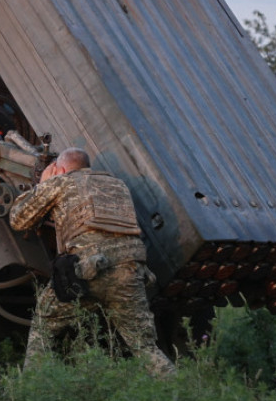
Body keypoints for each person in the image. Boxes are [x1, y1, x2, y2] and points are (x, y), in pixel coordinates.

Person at [9, 147, 174, 376]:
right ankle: (179, 391)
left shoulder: (61, 182)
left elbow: (19, 219)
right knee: (144, 347)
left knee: (44, 324)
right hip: (130, 272)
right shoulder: (118, 185)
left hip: (87, 270)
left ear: (62, 169)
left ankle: (32, 390)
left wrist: (44, 184)